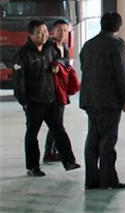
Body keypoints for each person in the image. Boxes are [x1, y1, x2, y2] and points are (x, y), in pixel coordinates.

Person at [12, 19, 80, 177]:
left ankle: (69, 161)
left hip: (51, 100)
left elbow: (61, 60)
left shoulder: (50, 48)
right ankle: (33, 167)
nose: (43, 35)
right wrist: (24, 101)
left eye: (45, 32)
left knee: (59, 131)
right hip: (34, 102)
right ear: (30, 35)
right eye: (39, 33)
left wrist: (56, 63)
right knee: (32, 134)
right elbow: (18, 81)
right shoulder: (22, 54)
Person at [79, 11, 125, 190]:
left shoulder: (88, 44)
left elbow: (83, 66)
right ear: (118, 27)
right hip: (109, 100)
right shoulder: (116, 44)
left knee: (93, 138)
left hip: (90, 99)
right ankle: (108, 181)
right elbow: (122, 72)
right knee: (108, 140)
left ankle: (91, 180)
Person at [43, 19, 77, 163]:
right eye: (59, 30)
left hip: (61, 89)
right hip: (52, 89)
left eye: (65, 30)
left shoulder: (64, 47)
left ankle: (53, 151)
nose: (62, 33)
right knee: (56, 122)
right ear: (53, 32)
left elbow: (66, 66)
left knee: (58, 122)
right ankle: (49, 152)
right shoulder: (49, 47)